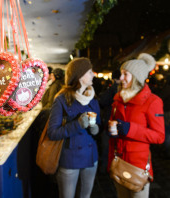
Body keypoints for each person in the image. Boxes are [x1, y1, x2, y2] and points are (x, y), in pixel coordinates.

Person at [107, 53, 165, 198]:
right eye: (121, 74)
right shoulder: (118, 100)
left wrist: (130, 129)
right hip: (118, 162)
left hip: (138, 166)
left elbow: (159, 137)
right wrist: (111, 129)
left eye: (125, 74)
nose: (121, 78)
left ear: (136, 77)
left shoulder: (153, 101)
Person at [47, 57, 101, 198]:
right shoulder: (61, 99)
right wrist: (77, 125)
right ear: (80, 75)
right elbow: (52, 133)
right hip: (70, 158)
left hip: (91, 158)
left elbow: (98, 124)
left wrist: (96, 129)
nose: (93, 74)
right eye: (89, 72)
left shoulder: (93, 98)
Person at [98, 69, 121, 173]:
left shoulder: (113, 89)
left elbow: (102, 101)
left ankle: (105, 167)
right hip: (121, 123)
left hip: (110, 120)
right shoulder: (127, 88)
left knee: (107, 145)